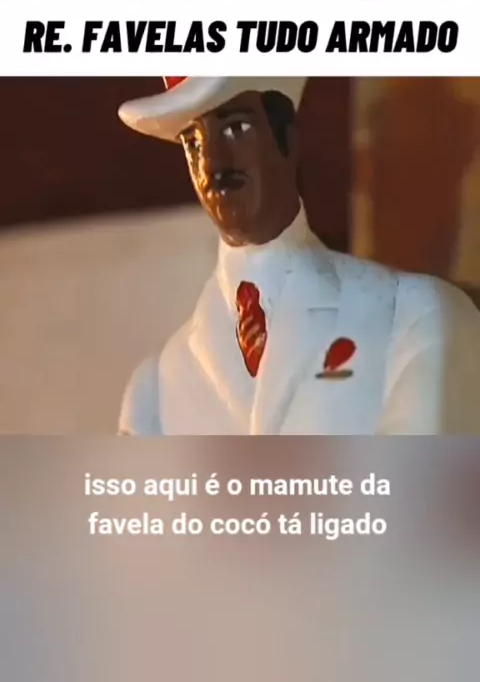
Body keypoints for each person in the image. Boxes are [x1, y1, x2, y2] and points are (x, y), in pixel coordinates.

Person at [117, 77, 480, 435]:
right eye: (193, 143)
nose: (213, 162)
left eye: (237, 129)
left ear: (287, 138)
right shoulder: (155, 391)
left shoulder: (416, 317)